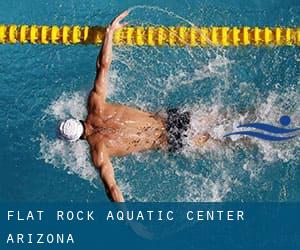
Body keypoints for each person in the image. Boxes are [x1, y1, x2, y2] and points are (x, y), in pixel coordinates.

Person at [58, 11, 210, 202]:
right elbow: (103, 66)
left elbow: (112, 189)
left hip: (171, 140)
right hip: (172, 118)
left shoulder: (99, 152)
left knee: (227, 141)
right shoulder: (95, 105)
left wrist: (129, 221)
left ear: (76, 140)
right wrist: (109, 33)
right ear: (76, 119)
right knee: (226, 118)